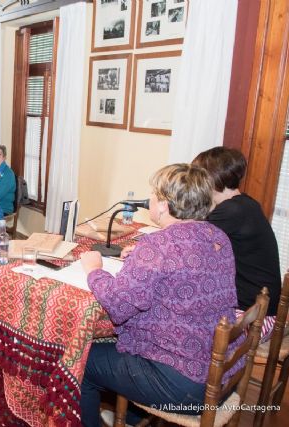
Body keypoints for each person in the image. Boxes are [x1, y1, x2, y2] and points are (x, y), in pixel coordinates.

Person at [79, 163, 241, 427]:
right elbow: (183, 273)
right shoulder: (217, 236)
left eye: (154, 194)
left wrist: (94, 270)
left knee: (81, 361)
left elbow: (118, 306)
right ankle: (132, 417)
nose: (151, 198)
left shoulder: (159, 246)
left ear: (164, 205)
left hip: (186, 387)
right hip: (218, 372)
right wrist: (141, 257)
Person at [193, 147, 281, 340]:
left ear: (211, 178)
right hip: (263, 307)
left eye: (198, 177)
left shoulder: (231, 211)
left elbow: (189, 247)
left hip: (254, 318)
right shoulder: (244, 204)